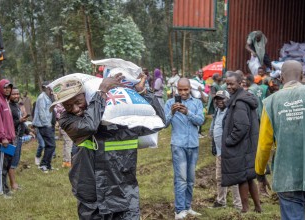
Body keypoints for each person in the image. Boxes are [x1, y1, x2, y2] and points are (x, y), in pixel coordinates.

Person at [54, 74, 165, 219]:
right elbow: (89, 126)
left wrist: (143, 92)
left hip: (123, 192)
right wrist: (102, 92)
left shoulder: (123, 115)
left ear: (87, 96)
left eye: (78, 102)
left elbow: (158, 122)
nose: (75, 109)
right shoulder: (67, 120)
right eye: (68, 106)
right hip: (92, 196)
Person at [255, 60, 305, 219]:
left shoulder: (270, 103)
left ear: (281, 78)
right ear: (303, 76)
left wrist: (260, 173)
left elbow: (264, 145)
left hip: (286, 175)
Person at [164, 78, 204, 220]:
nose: (183, 92)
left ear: (190, 88)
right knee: (181, 179)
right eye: (180, 90)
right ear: (176, 89)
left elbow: (200, 121)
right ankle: (179, 210)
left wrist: (188, 113)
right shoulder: (169, 103)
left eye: (185, 89)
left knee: (191, 179)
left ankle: (188, 207)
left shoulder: (197, 103)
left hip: (193, 144)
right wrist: (172, 113)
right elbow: (164, 124)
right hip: (178, 145)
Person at [222, 72, 261, 213]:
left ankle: (245, 209)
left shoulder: (239, 102)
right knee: (250, 177)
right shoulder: (244, 98)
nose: (229, 86)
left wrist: (229, 140)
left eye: (232, 84)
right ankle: (258, 207)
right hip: (248, 145)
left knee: (242, 178)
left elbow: (242, 126)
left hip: (241, 146)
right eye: (227, 84)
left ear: (240, 83)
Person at [209, 90, 242, 210]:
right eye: (217, 99)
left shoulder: (231, 112)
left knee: (233, 178)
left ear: (228, 99)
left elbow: (237, 130)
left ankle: (238, 204)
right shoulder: (217, 111)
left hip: (230, 152)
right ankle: (221, 201)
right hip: (219, 152)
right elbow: (214, 128)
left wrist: (230, 145)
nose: (219, 101)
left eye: (222, 98)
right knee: (219, 177)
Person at [0, 79, 15, 198]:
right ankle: (1, 192)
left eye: (9, 87)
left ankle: (6, 190)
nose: (7, 89)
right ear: (0, 88)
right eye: (5, 87)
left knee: (6, 166)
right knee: (2, 167)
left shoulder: (6, 102)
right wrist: (3, 137)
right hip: (3, 141)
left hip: (9, 140)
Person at [8, 87, 34, 190]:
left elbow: (21, 122)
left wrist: (28, 131)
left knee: (15, 160)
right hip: (11, 138)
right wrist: (20, 120)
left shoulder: (16, 106)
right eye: (14, 94)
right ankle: (13, 185)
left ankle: (13, 184)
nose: (16, 96)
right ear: (9, 95)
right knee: (12, 161)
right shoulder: (8, 107)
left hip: (18, 137)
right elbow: (9, 124)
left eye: (17, 94)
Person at [32, 81, 56, 173]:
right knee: (51, 145)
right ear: (46, 88)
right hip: (44, 125)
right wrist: (48, 124)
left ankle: (48, 165)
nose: (51, 90)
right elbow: (42, 113)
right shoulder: (42, 98)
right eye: (49, 88)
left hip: (46, 124)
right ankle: (43, 164)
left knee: (50, 145)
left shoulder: (47, 97)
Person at [54, 103, 73, 168]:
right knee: (68, 144)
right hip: (66, 126)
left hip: (62, 125)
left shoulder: (58, 106)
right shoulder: (66, 106)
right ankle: (68, 162)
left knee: (66, 144)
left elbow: (57, 116)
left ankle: (65, 161)